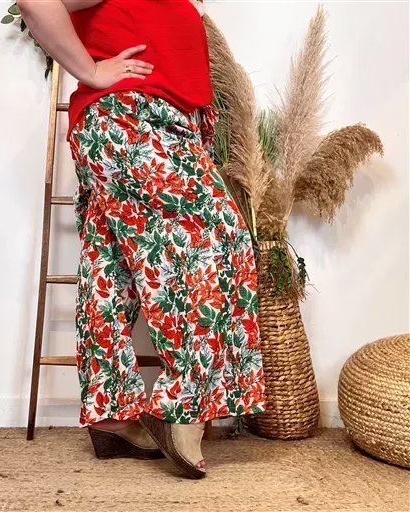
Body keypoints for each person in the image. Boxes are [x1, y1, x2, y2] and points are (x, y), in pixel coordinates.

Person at [18, 0, 266, 479]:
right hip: (134, 120)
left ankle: (112, 415)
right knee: (220, 240)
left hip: (131, 125)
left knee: (111, 268)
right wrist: (91, 70)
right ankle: (185, 408)